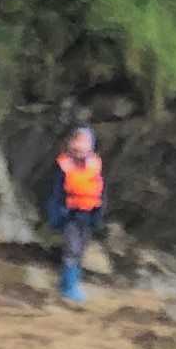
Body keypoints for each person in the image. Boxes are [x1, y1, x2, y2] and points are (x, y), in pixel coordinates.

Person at [50, 124, 104, 303]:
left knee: (81, 250)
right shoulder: (63, 165)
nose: (80, 146)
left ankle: (67, 283)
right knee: (72, 249)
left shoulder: (95, 164)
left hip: (88, 215)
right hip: (70, 214)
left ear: (91, 146)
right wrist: (57, 216)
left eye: (85, 142)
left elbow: (102, 192)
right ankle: (69, 287)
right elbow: (55, 194)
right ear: (71, 143)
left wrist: (98, 214)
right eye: (77, 141)